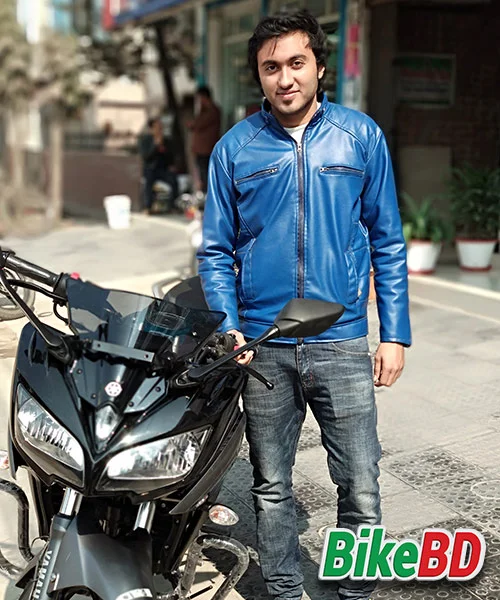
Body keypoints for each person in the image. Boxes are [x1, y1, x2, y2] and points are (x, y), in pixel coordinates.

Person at [197, 10, 411, 600]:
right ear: (259, 76)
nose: (285, 77)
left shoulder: (360, 136)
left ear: (319, 67)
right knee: (271, 487)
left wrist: (394, 334)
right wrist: (230, 328)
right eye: (271, 67)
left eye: (296, 63)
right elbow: (214, 252)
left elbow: (388, 241)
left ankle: (357, 592)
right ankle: (285, 590)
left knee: (360, 486)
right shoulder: (234, 149)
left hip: (341, 339)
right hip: (263, 346)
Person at [138, 117, 178, 214]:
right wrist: (155, 146)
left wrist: (171, 164)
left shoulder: (166, 141)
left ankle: (173, 206)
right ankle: (147, 206)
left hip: (163, 169)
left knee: (173, 180)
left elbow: (171, 156)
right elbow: (146, 156)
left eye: (161, 127)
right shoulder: (146, 140)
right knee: (148, 182)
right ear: (151, 128)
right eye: (157, 127)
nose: (159, 130)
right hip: (150, 169)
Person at [187, 85, 221, 193]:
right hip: (200, 150)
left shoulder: (212, 111)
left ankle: (207, 194)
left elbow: (196, 124)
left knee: (206, 174)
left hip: (206, 150)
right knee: (201, 175)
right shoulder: (204, 111)